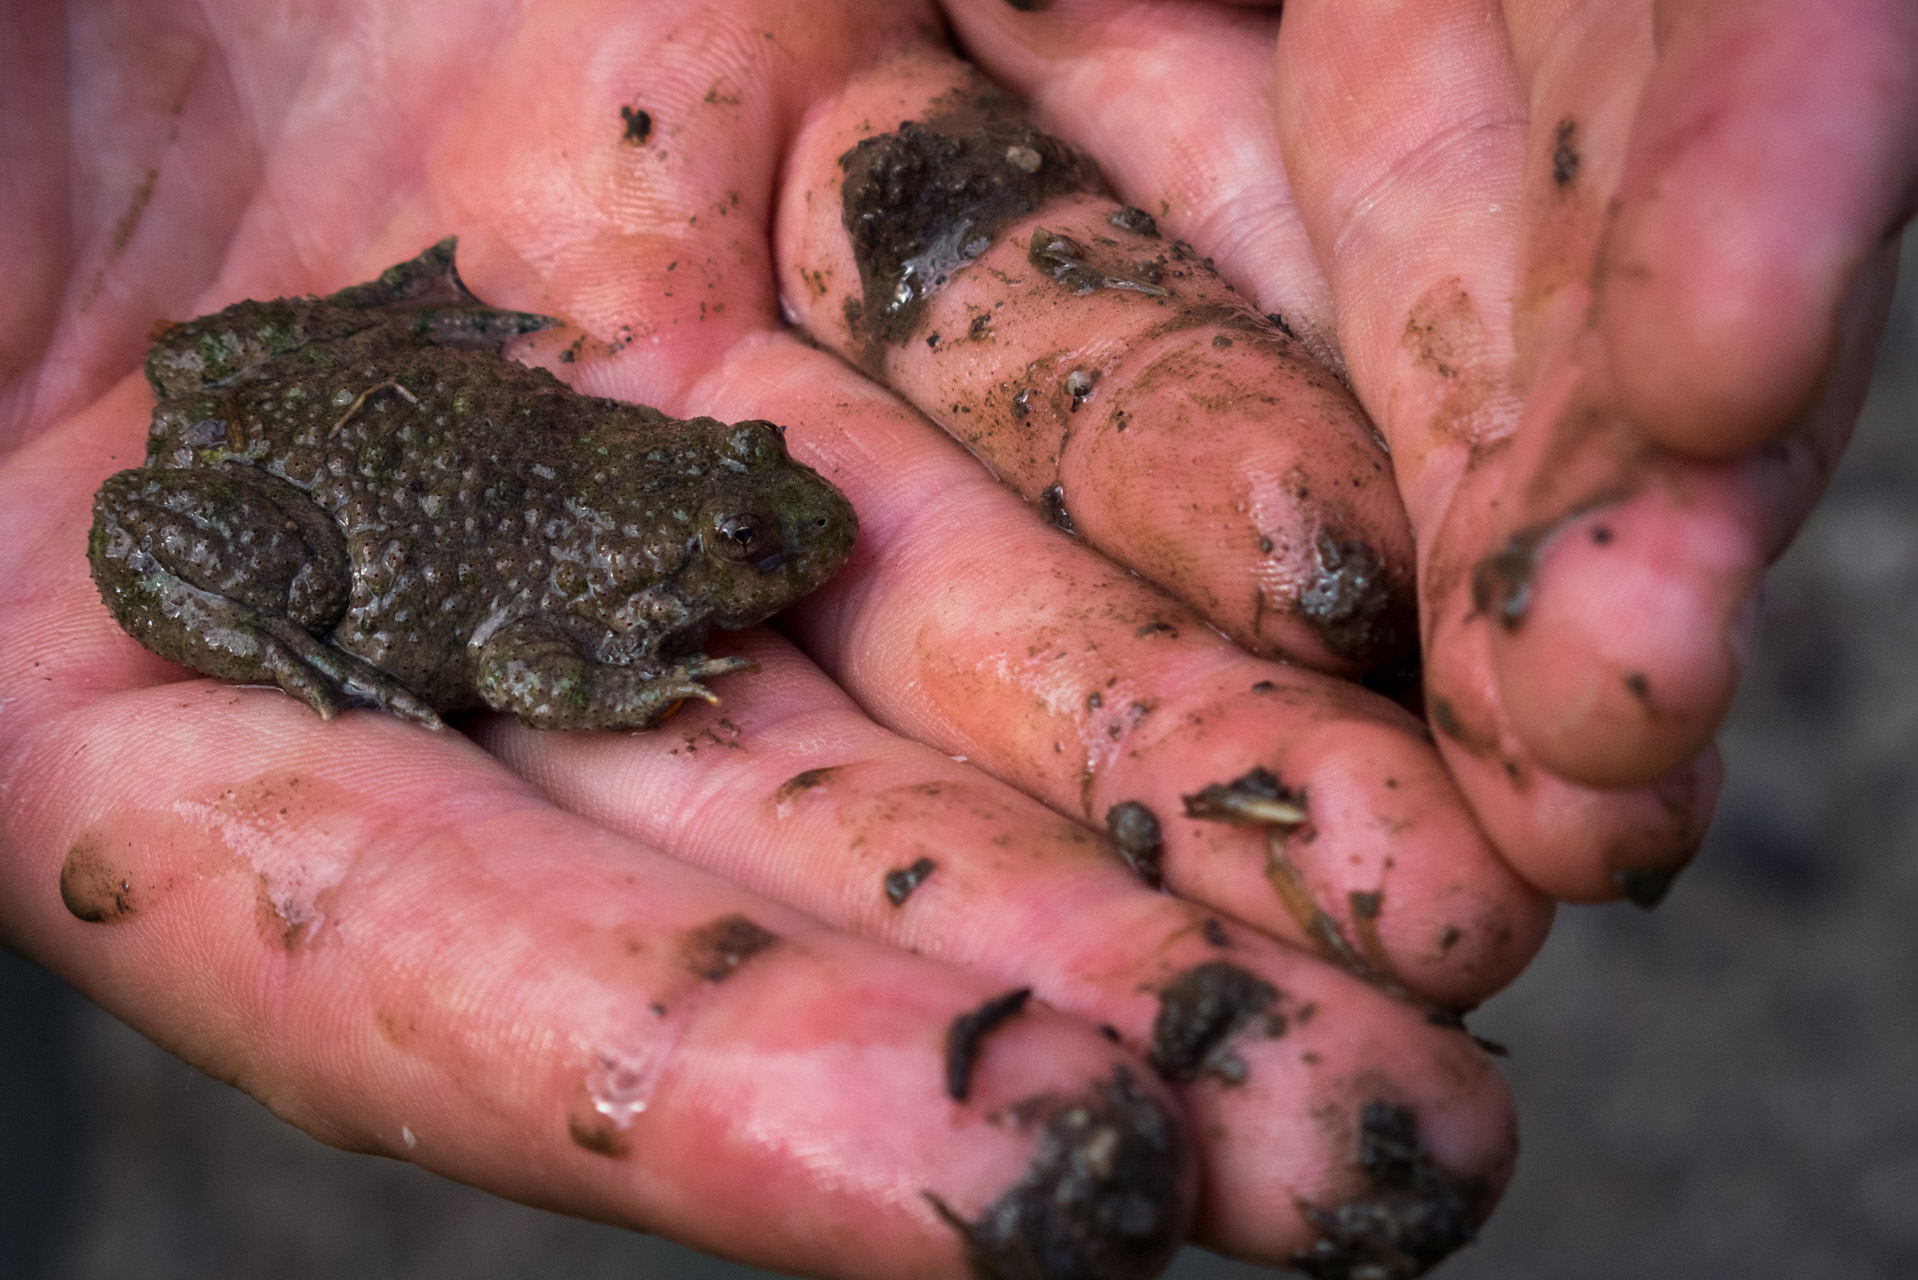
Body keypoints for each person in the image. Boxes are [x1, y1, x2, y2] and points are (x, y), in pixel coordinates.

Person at [0, 1, 1906, 1276]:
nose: (790, 544)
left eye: (747, 498)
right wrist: (554, 670)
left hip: (339, 398)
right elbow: (518, 664)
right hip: (309, 496)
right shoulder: (580, 592)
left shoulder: (636, 478)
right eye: (752, 539)